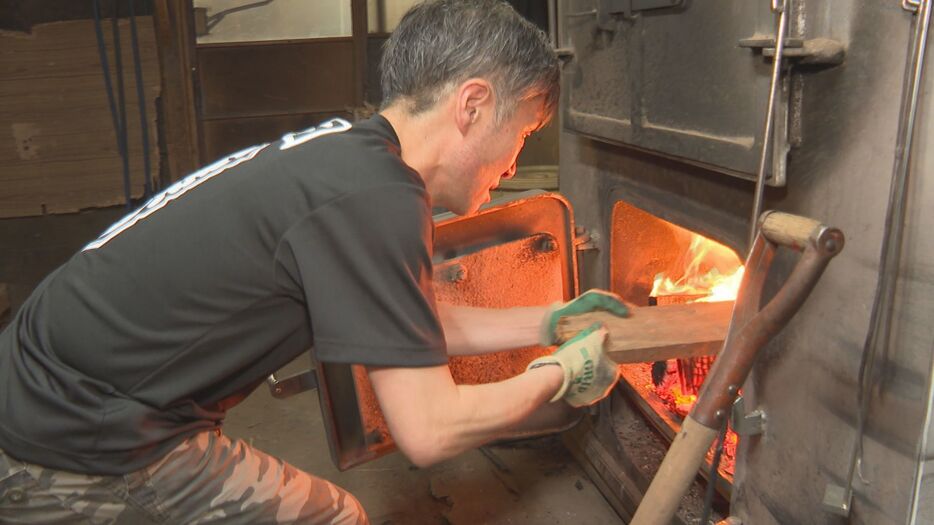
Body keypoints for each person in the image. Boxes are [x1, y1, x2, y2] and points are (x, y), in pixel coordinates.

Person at [0, 1, 629, 523]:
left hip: (49, 375)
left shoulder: (349, 155)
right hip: (80, 426)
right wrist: (557, 374)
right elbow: (430, 431)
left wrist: (549, 321)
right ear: (471, 105)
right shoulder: (379, 198)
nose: (516, 163)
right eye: (519, 134)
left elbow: (405, 322)